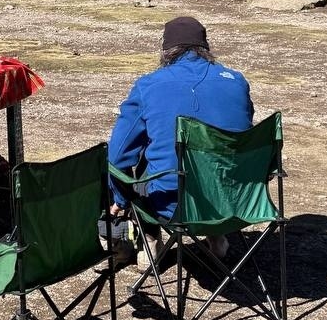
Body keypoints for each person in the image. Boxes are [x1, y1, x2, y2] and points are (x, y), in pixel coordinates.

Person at [108, 15, 253, 257]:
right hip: (238, 202)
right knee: (215, 151)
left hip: (174, 206)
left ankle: (148, 242)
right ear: (205, 48)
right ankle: (217, 236)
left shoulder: (149, 85)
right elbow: (245, 134)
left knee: (144, 160)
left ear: (166, 51)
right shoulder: (237, 82)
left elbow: (118, 156)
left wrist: (119, 199)